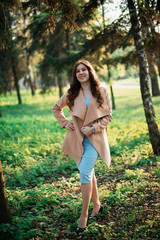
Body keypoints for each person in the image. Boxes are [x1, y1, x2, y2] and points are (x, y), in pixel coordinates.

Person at [52, 59, 112, 234]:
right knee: (88, 172)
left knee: (85, 172)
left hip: (95, 139)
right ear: (75, 75)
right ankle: (97, 205)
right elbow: (56, 108)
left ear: (90, 71)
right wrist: (64, 123)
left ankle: (84, 214)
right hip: (77, 139)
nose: (81, 73)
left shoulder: (101, 91)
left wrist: (93, 128)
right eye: (77, 70)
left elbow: (108, 116)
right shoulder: (72, 93)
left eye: (84, 69)